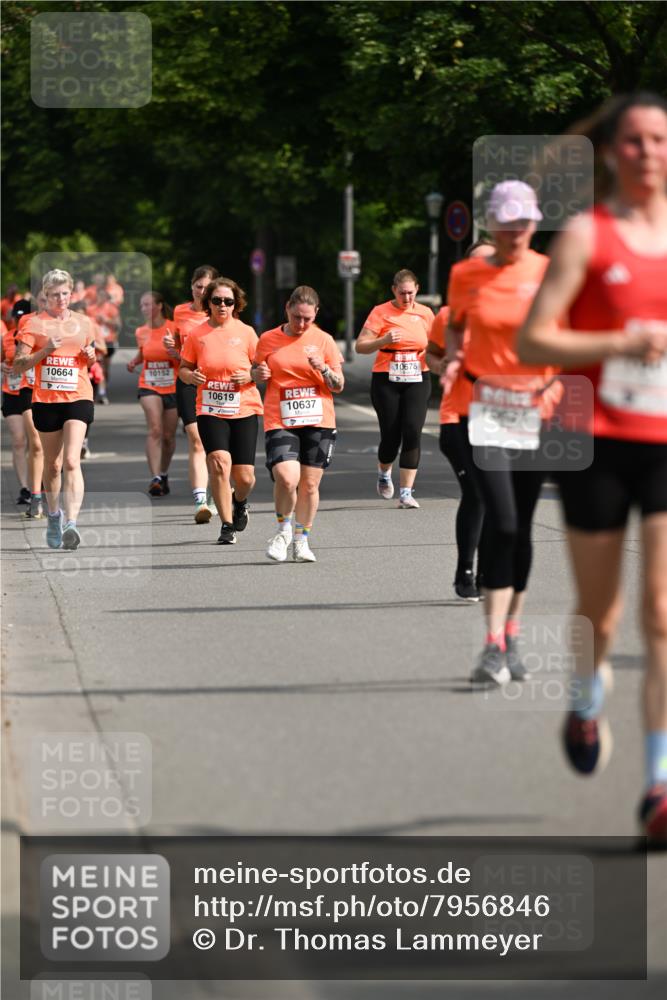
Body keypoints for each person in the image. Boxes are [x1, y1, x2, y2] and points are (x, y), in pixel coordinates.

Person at [518, 93, 667, 843]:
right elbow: (533, 341)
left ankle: (658, 783)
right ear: (612, 153)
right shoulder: (586, 235)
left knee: (663, 614)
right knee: (601, 615)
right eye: (635, 142)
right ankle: (584, 698)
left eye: (659, 141)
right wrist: (617, 345)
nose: (647, 153)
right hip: (596, 441)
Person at [444, 180, 560, 685]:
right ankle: (491, 644)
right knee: (504, 521)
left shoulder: (549, 272)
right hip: (483, 407)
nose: (516, 232)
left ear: (535, 223)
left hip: (536, 407)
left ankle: (510, 633)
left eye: (525, 222)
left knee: (523, 529)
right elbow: (455, 326)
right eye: (507, 222)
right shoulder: (466, 273)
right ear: (491, 223)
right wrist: (451, 358)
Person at [253, 285, 344, 563]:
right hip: (280, 417)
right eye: (296, 317)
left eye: (308, 318)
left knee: (309, 486)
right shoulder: (268, 339)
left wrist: (324, 368)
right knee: (287, 477)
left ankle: (302, 540)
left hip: (319, 420)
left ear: (315, 313)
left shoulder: (325, 340)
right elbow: (255, 374)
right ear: (287, 310)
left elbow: (338, 385)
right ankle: (283, 532)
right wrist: (258, 372)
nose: (302, 323)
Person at [426, 240, 495, 600]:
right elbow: (431, 354)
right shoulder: (448, 315)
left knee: (496, 498)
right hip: (459, 418)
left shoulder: (514, 311)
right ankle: (466, 572)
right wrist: (443, 368)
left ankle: (486, 572)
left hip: (502, 416)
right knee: (478, 492)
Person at [13, 269, 96, 550]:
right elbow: (18, 365)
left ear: (71, 294)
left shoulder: (84, 323)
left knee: (72, 461)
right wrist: (45, 350)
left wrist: (91, 356)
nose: (60, 299)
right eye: (54, 295)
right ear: (45, 297)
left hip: (79, 396)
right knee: (54, 464)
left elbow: (90, 357)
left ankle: (71, 523)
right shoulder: (33, 324)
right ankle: (53, 515)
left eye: (64, 293)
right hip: (46, 401)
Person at [179, 277, 261, 544]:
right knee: (218, 463)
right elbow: (183, 368)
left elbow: (262, 369)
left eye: (228, 301)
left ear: (236, 303)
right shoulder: (197, 334)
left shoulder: (247, 332)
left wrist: (249, 375)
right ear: (208, 303)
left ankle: (240, 501)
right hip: (210, 408)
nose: (223, 305)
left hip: (243, 407)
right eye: (217, 300)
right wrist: (190, 378)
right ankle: (226, 525)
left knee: (245, 477)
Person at [355, 269, 433, 508]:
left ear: (417, 289)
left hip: (418, 375)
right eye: (402, 293)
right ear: (393, 291)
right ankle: (384, 472)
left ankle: (406, 492)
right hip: (386, 377)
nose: (406, 298)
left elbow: (438, 343)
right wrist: (383, 341)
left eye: (410, 293)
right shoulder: (381, 312)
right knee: (391, 436)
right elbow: (360, 346)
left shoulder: (426, 313)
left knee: (412, 431)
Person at [166, 265, 219, 522]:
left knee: (216, 444)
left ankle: (219, 489)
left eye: (207, 288)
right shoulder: (179, 312)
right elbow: (179, 350)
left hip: (215, 384)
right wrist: (172, 349)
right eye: (198, 287)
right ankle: (200, 499)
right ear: (192, 287)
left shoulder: (221, 314)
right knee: (196, 438)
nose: (202, 292)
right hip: (187, 380)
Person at [127, 292, 180, 497]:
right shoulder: (141, 331)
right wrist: (135, 361)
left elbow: (183, 357)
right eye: (141, 305)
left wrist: (173, 349)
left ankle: (164, 472)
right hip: (149, 384)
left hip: (173, 385)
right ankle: (155, 477)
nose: (144, 309)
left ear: (159, 306)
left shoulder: (174, 328)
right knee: (155, 429)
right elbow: (144, 352)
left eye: (147, 304)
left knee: (168, 437)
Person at [86, 287, 120, 403]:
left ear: (106, 297)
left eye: (102, 296)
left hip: (108, 340)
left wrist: (106, 320)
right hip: (96, 341)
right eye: (98, 295)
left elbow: (117, 325)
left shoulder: (112, 309)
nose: (100, 298)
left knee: (105, 369)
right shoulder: (91, 309)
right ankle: (101, 392)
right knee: (98, 367)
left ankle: (103, 388)